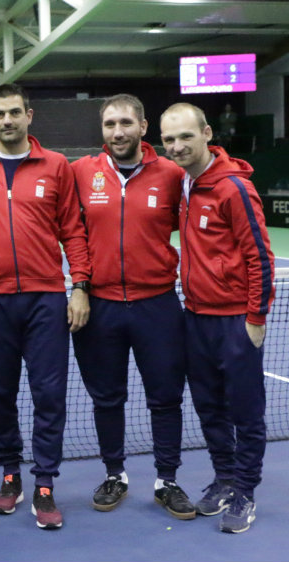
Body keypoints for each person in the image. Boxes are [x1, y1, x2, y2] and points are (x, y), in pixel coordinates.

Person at [0, 83, 91, 530]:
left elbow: (73, 229)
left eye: (14, 112)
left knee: (49, 396)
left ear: (29, 115)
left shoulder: (56, 167)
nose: (7, 120)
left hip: (46, 299)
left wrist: (80, 286)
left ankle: (45, 484)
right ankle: (10, 476)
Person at [69, 94, 195, 519]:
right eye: (109, 124)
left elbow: (213, 179)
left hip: (157, 306)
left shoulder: (173, 174)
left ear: (143, 127)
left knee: (166, 398)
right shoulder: (81, 172)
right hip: (100, 307)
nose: (117, 132)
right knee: (107, 398)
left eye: (125, 123)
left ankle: (167, 480)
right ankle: (114, 474)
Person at [160, 102, 275, 534]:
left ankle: (245, 490)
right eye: (169, 139)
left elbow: (260, 256)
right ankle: (225, 478)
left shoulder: (233, 189)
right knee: (209, 409)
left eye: (185, 136)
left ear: (207, 133)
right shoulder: (186, 184)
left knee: (246, 411)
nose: (177, 146)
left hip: (235, 322)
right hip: (196, 318)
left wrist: (256, 317)